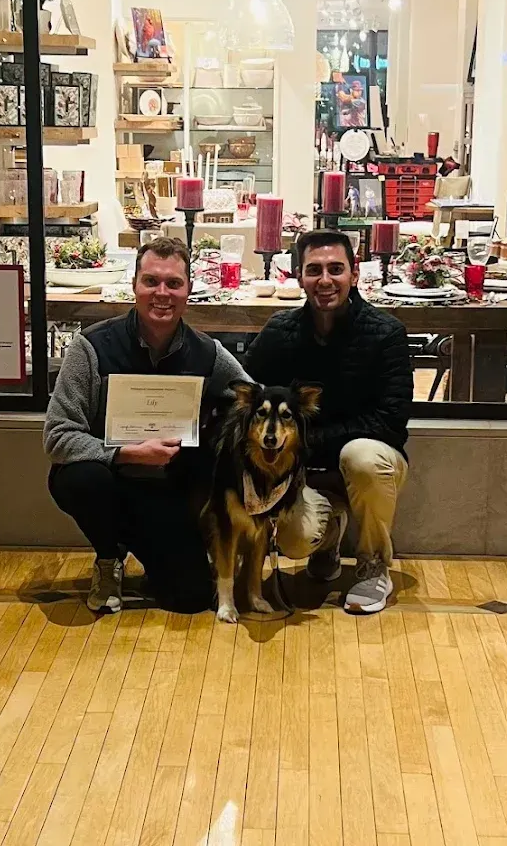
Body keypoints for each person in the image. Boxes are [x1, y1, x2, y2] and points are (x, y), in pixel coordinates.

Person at [44, 237, 248, 614]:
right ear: (134, 286)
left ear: (189, 290)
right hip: (107, 483)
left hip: (167, 491)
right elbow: (57, 436)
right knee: (80, 479)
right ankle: (109, 557)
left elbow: (251, 399)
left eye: (174, 283)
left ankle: (154, 551)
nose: (162, 293)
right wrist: (124, 453)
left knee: (190, 599)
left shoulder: (209, 353)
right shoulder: (91, 346)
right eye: (151, 281)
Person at [243, 229, 412, 614]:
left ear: (354, 273)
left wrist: (306, 440)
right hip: (301, 473)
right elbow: (247, 394)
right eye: (313, 270)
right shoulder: (279, 332)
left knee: (361, 455)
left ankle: (373, 566)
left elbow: (391, 422)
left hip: (369, 464)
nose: (325, 280)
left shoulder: (387, 334)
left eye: (336, 269)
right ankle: (328, 538)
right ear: (298, 276)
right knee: (294, 542)